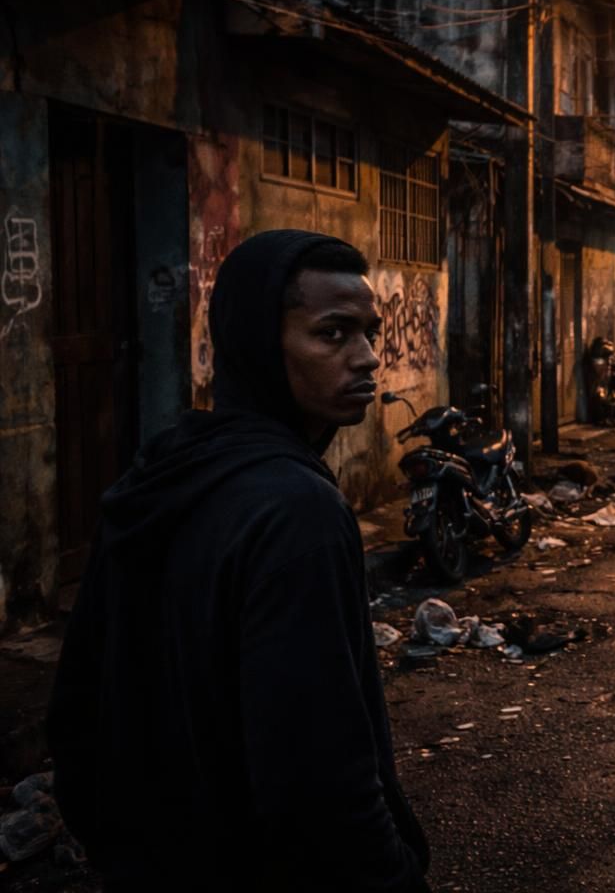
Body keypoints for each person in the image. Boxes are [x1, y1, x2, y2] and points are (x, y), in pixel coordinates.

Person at [48, 231, 430, 891]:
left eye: (370, 333)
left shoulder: (166, 470)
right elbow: (320, 785)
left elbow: (78, 720)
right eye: (332, 334)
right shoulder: (295, 512)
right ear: (258, 342)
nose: (368, 357)